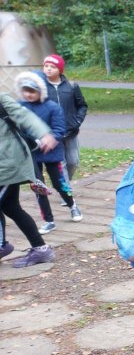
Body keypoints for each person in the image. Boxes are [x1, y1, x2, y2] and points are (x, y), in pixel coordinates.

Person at [15, 72, 81, 233]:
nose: (29, 94)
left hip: (51, 152)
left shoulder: (53, 107)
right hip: (31, 154)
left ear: (41, 90)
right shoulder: (20, 107)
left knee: (59, 184)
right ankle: (48, 220)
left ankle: (72, 204)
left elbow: (59, 129)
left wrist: (50, 139)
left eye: (32, 91)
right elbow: (17, 128)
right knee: (38, 186)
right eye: (26, 90)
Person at [0, 88, 59, 268]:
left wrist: (44, 134)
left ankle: (2, 245)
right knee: (10, 206)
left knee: (8, 205)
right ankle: (40, 249)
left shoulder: (1, 99)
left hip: (9, 164)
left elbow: (24, 116)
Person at [40, 54, 88, 181]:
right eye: (46, 66)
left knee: (73, 162)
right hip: (53, 134)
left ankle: (66, 184)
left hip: (71, 131)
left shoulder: (72, 86)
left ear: (60, 70)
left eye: (52, 66)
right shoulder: (41, 88)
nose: (48, 69)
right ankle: (66, 190)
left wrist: (77, 121)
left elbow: (82, 105)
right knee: (61, 164)